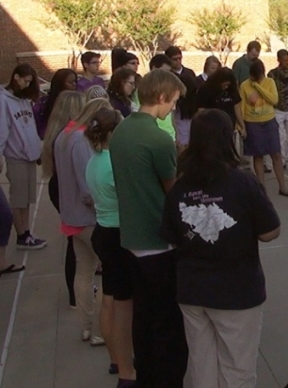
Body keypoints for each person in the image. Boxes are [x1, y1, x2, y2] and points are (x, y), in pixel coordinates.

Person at [162, 109, 281, 388]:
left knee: (202, 365)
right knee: (237, 368)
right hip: (237, 290)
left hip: (192, 289)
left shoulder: (180, 186)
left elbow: (170, 235)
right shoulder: (243, 182)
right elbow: (270, 231)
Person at [109, 69, 189, 387]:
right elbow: (174, 191)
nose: (173, 109)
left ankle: (143, 374)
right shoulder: (158, 138)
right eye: (173, 102)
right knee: (167, 322)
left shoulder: (121, 131)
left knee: (142, 317)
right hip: (158, 241)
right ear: (161, 97)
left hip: (130, 236)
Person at [54, 97, 113, 346]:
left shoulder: (63, 136)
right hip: (86, 217)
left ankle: (87, 327)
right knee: (107, 275)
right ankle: (100, 329)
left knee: (84, 272)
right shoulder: (79, 140)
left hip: (71, 216)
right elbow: (86, 184)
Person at [85, 107, 136, 386]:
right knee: (124, 305)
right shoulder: (113, 162)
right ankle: (126, 365)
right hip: (118, 234)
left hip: (105, 230)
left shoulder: (94, 161)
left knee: (112, 299)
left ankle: (118, 359)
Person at [42, 91, 86, 307]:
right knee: (77, 243)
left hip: (59, 186)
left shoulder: (56, 133)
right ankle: (76, 294)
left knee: (73, 241)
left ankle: (73, 295)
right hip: (69, 187)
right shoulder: (74, 136)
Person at [0, 64, 47, 250]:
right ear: (16, 77)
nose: (27, 85)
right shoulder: (3, 100)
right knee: (18, 198)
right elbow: (3, 131)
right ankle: (21, 234)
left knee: (27, 198)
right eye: (25, 81)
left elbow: (31, 127)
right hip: (15, 156)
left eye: (30, 82)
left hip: (29, 156)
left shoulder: (24, 100)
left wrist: (37, 150)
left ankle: (27, 232)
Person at [239, 60, 288, 197]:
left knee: (276, 154)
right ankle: (261, 189)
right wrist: (242, 126)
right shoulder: (244, 85)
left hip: (269, 121)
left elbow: (274, 100)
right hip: (252, 123)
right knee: (258, 156)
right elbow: (242, 106)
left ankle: (283, 187)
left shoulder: (269, 82)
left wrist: (258, 87)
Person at [165, 46, 198, 152]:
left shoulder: (189, 72)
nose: (178, 61)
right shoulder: (168, 74)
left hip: (190, 109)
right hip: (176, 108)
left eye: (180, 58)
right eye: (175, 59)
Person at [33, 68, 77, 139]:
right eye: (70, 82)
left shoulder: (76, 101)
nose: (74, 84)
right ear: (60, 84)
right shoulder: (44, 103)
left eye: (75, 81)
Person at [149, 54, 180, 144]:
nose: (167, 75)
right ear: (154, 68)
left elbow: (172, 113)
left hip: (171, 136)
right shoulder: (144, 89)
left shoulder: (169, 88)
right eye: (165, 71)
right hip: (156, 139)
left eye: (169, 72)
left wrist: (176, 132)